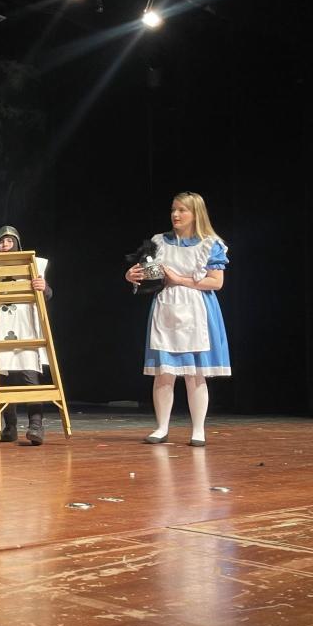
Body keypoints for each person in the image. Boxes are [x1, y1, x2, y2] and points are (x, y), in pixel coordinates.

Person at [124, 191, 230, 447]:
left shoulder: (209, 244)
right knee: (164, 373)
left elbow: (216, 282)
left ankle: (198, 430)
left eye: (182, 210)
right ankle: (161, 427)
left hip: (197, 310)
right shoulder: (160, 242)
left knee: (195, 374)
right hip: (166, 308)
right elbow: (150, 275)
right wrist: (132, 275)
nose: (175, 214)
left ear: (196, 214)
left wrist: (181, 280)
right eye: (173, 209)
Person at [0, 225, 51, 445]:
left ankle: (36, 425)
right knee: (4, 377)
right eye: (1, 242)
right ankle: (9, 425)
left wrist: (43, 286)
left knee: (30, 374)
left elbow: (47, 293)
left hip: (26, 327)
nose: (5, 245)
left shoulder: (32, 265)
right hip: (2, 327)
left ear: (17, 243)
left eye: (9, 241)